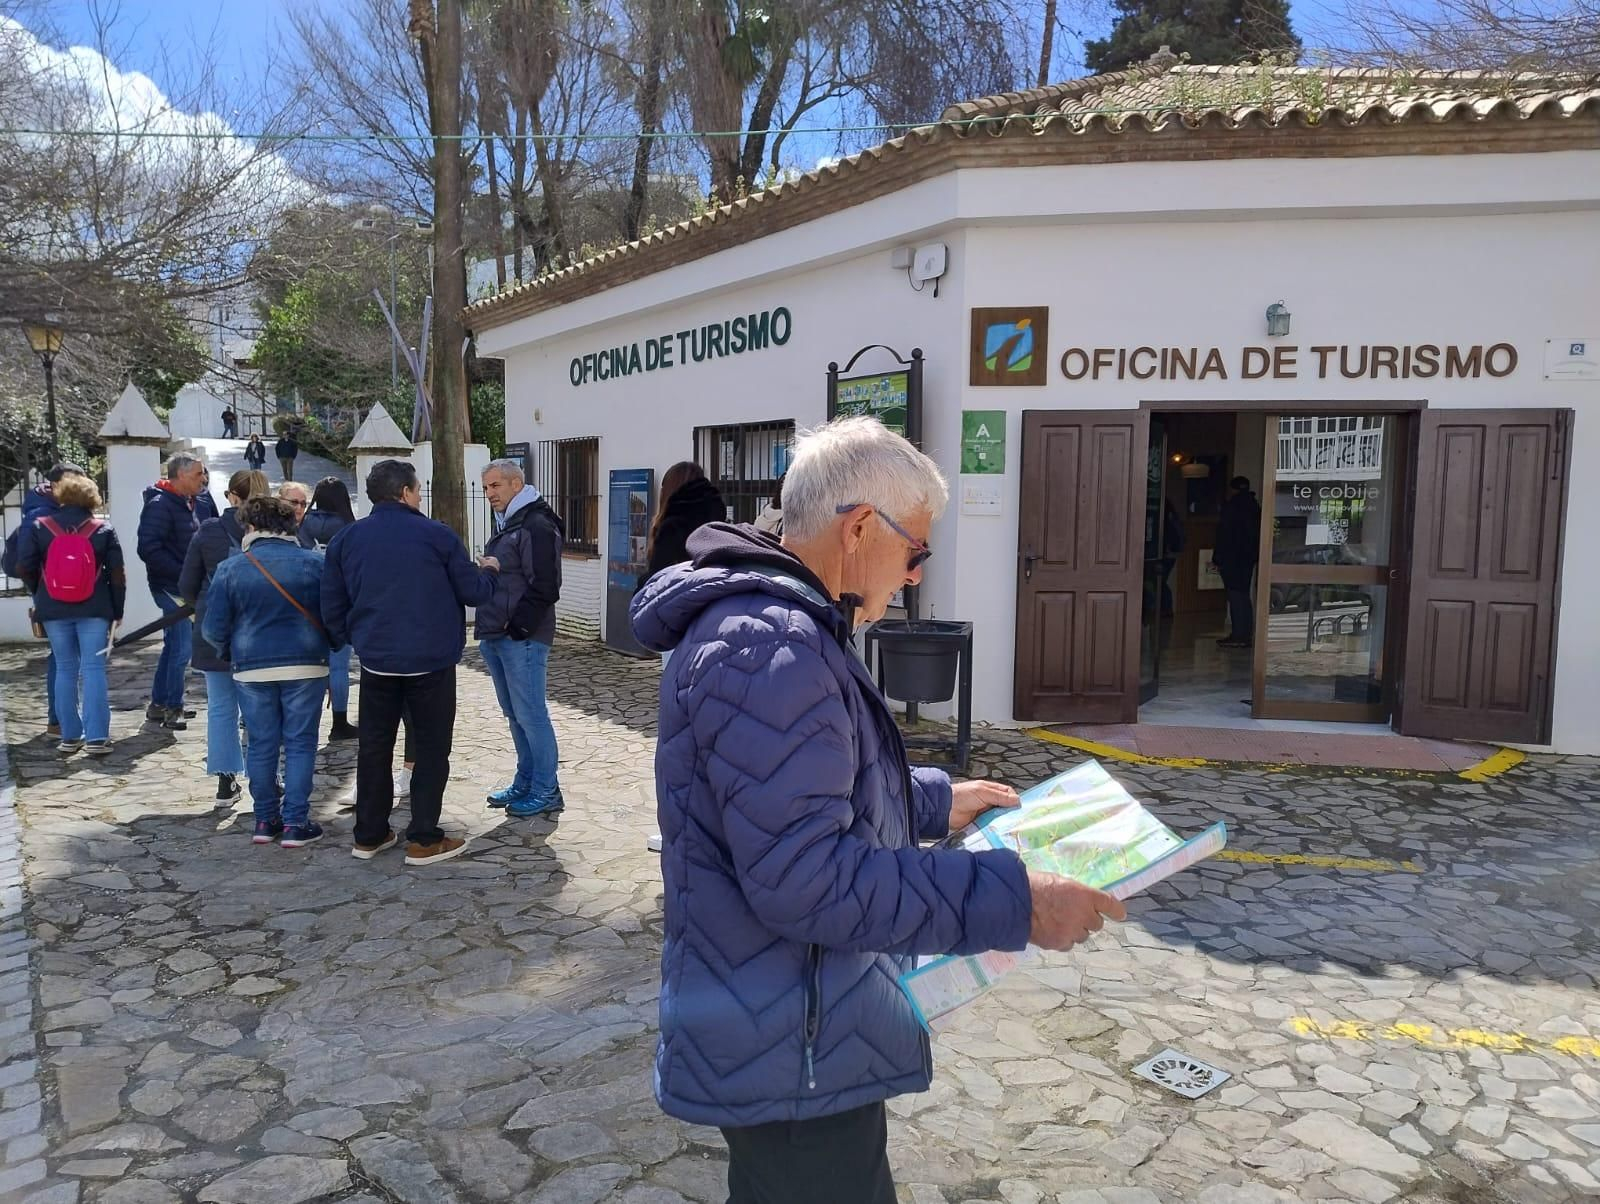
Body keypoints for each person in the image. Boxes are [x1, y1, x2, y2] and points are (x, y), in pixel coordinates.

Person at [629, 417, 1125, 1202]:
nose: (918, 575)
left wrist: (932, 801)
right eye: (916, 550)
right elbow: (808, 880)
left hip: (789, 1023)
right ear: (860, 528)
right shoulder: (772, 648)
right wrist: (1015, 901)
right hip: (792, 1040)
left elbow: (805, 794)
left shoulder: (778, 632)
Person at [321, 459, 499, 866]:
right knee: (433, 749)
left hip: (377, 661)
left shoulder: (347, 540)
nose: (420, 497)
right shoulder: (437, 535)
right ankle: (423, 838)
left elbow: (331, 603)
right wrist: (490, 570)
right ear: (405, 492)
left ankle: (369, 834)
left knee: (374, 748)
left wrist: (354, 637)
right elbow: (474, 592)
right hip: (430, 663)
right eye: (418, 490)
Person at [203, 495, 333, 848]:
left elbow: (212, 627)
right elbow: (335, 615)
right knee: (301, 743)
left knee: (260, 745)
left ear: (249, 526)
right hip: (306, 663)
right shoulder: (313, 563)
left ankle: (264, 819)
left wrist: (232, 651)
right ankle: (295, 822)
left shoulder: (232, 568)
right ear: (291, 525)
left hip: (251, 668)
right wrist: (330, 646)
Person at [476, 458, 564, 818]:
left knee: (531, 715)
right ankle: (525, 781)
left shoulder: (536, 524)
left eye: (495, 486)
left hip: (521, 638)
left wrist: (519, 628)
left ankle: (546, 789)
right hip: (498, 634)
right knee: (515, 715)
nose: (489, 494)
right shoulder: (510, 523)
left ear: (516, 484)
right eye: (485, 488)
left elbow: (546, 585)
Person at [14, 474, 126, 757]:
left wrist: (41, 593)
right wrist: (117, 610)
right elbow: (117, 575)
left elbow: (24, 566)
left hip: (53, 609)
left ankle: (69, 736)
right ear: (92, 498)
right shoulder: (103, 529)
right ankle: (97, 738)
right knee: (93, 669)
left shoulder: (42, 527)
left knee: (64, 668)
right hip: (94, 609)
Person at [180, 468, 270, 805]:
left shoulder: (210, 530)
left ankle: (225, 779)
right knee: (261, 708)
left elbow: (187, 585)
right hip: (258, 630)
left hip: (213, 632)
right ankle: (266, 778)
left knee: (220, 708)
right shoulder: (271, 530)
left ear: (231, 496)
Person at [3, 462, 88, 738]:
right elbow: (25, 563)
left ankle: (61, 720)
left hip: (59, 594)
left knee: (64, 659)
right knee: (63, 660)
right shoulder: (41, 515)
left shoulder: (50, 509)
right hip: (56, 596)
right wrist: (42, 591)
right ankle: (59, 721)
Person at [137, 453, 207, 730]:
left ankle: (159, 704)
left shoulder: (189, 502)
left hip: (183, 586)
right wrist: (184, 575)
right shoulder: (160, 505)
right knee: (180, 649)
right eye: (197, 475)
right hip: (170, 588)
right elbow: (149, 549)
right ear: (179, 476)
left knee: (173, 649)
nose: (203, 479)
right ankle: (172, 708)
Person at [298, 477, 358, 741]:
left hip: (304, 603)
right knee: (338, 667)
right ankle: (339, 722)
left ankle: (305, 723)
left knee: (307, 668)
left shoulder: (302, 525)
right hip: (339, 602)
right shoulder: (348, 526)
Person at [642, 461, 726, 584]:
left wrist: (642, 583)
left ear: (667, 491)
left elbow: (657, 582)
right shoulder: (718, 525)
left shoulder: (672, 529)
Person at [1212, 475, 1262, 648]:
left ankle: (1239, 634)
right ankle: (1245, 633)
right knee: (1243, 595)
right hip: (1247, 558)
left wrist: (1217, 557)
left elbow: (1224, 535)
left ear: (1232, 489)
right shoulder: (1254, 507)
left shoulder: (1232, 507)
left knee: (1235, 595)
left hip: (1232, 558)